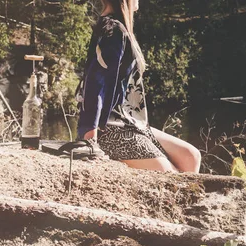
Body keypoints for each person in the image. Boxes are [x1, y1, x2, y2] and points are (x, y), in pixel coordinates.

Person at [71, 0, 201, 173]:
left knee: (191, 156)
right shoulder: (112, 30)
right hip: (110, 128)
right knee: (168, 173)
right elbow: (95, 84)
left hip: (131, 123)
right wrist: (90, 139)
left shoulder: (119, 28)